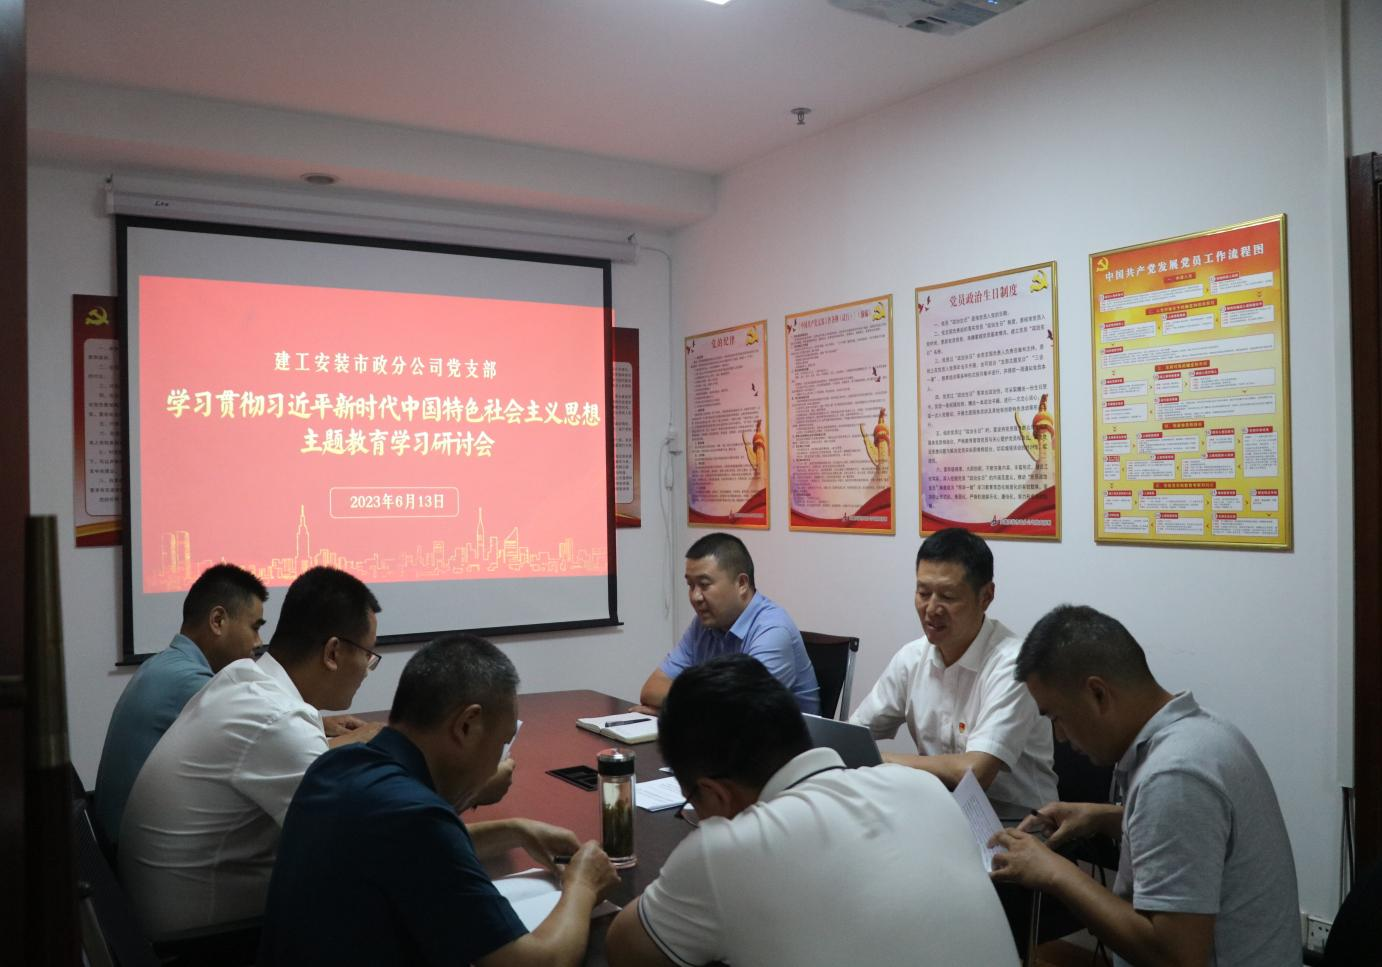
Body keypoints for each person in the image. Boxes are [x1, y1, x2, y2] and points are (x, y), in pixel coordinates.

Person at [605, 654, 1019, 967]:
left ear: (713, 792)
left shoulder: (726, 851)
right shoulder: (924, 789)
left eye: (692, 801)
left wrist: (585, 884)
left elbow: (624, 950)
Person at [260, 633, 620, 967]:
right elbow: (538, 962)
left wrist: (516, 831)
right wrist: (583, 885)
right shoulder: (416, 817)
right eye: (501, 744)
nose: (498, 761)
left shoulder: (336, 765)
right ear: (467, 725)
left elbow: (414, 854)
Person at [990, 605, 1300, 967]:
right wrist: (1105, 818)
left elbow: (1176, 958)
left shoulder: (1175, 775)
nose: (1059, 735)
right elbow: (1199, 836)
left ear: (1098, 694)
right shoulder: (1204, 731)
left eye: (1057, 717)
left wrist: (1055, 873)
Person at [119, 565, 385, 938]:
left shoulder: (241, 681)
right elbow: (363, 848)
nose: (368, 670)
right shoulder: (278, 720)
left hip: (152, 921)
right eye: (369, 655)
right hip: (205, 944)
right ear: (333, 652)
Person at [849, 528, 1056, 807]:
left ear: (986, 596)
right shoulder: (912, 658)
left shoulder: (1014, 665)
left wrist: (880, 760)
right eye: (923, 593)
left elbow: (975, 772)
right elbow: (852, 736)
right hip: (942, 811)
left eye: (947, 596)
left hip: (1018, 821)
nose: (931, 608)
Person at [93, 563, 268, 847]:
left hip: (118, 841)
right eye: (254, 627)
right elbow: (265, 740)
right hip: (135, 852)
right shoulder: (189, 682)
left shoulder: (164, 664)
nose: (259, 642)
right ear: (218, 621)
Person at [637, 533, 819, 714]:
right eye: (691, 585)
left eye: (704, 584)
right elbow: (651, 689)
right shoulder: (703, 625)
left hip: (780, 733)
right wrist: (691, 706)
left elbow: (739, 711)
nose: (695, 597)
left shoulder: (772, 631)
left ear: (741, 583)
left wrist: (672, 711)